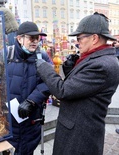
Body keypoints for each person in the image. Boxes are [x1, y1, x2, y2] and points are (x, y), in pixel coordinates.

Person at [36, 12, 119, 155]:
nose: (77, 42)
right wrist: (71, 67)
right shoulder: (97, 58)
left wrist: (42, 65)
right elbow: (81, 88)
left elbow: (62, 90)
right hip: (77, 130)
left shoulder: (102, 65)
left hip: (80, 137)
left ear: (94, 38)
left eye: (80, 38)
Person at [5, 21, 52, 155]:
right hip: (10, 119)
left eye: (37, 38)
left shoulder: (42, 56)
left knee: (27, 150)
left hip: (31, 118)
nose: (35, 41)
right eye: (31, 38)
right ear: (19, 39)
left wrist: (32, 100)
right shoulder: (7, 55)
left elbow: (50, 81)